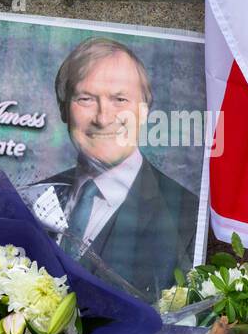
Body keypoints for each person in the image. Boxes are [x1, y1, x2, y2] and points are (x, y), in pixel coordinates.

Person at [33, 37, 200, 299]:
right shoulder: (32, 198)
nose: (103, 118)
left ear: (145, 111)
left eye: (120, 99)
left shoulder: (189, 218)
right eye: (85, 98)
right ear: (64, 109)